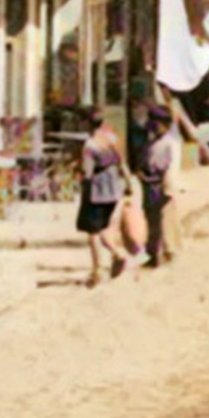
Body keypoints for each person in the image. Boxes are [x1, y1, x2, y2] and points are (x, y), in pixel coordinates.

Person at [73, 106, 129, 285]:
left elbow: (87, 172)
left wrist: (77, 173)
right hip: (113, 188)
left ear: (86, 123)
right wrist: (128, 183)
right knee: (104, 228)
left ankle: (98, 268)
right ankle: (117, 254)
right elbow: (121, 162)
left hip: (96, 192)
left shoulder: (90, 145)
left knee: (93, 232)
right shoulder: (111, 138)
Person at [137, 103, 183, 269]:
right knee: (152, 221)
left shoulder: (171, 143)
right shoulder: (151, 143)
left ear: (165, 125)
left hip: (163, 185)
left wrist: (168, 187)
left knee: (166, 220)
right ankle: (153, 253)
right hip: (149, 185)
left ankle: (170, 251)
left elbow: (172, 167)